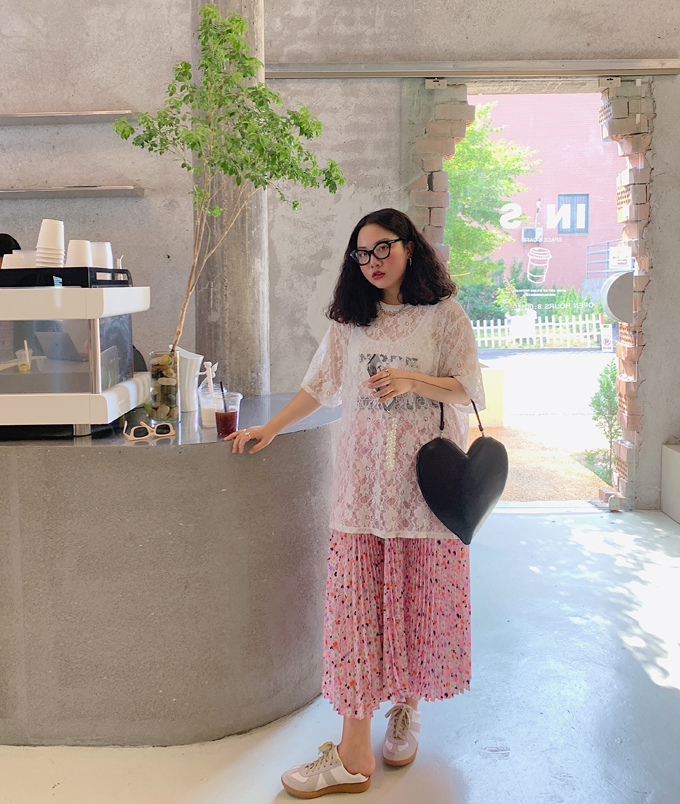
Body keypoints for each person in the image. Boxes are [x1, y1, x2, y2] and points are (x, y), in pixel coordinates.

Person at [225, 208, 485, 798]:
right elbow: (318, 386)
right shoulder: (351, 323)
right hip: (363, 489)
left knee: (414, 595)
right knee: (358, 607)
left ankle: (405, 708)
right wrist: (272, 428)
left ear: (410, 247)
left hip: (423, 489)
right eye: (362, 254)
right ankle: (355, 746)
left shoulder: (444, 316)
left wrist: (413, 380)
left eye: (382, 248)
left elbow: (467, 386)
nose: (372, 262)